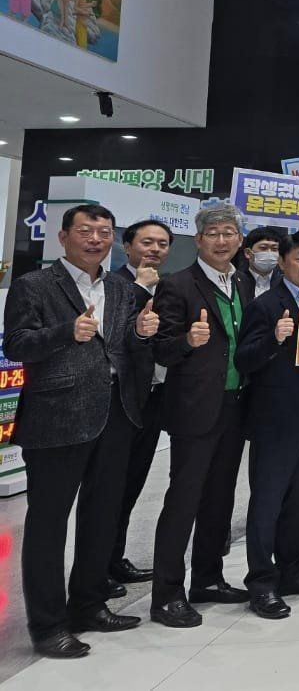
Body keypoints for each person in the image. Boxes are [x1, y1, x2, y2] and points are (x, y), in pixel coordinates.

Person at [4, 203, 159, 659]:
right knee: (49, 524)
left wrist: (142, 331)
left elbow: (123, 345)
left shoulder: (119, 286)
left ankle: (89, 604)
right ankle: (48, 625)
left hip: (115, 412)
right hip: (57, 416)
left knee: (103, 513)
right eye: (86, 230)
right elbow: (16, 343)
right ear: (63, 236)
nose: (96, 239)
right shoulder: (35, 284)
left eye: (105, 232)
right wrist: (64, 331)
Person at [150, 202, 255, 627]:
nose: (222, 240)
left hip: (235, 406)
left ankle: (208, 578)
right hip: (195, 410)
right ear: (198, 240)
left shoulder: (243, 283)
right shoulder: (177, 285)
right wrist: (188, 342)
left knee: (220, 498)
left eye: (229, 232)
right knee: (184, 500)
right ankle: (167, 593)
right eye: (213, 233)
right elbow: (160, 347)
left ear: (239, 240)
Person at [234, 230, 299, 617]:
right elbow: (244, 360)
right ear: (282, 263)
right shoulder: (266, 305)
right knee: (267, 501)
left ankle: (294, 570)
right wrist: (275, 339)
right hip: (276, 417)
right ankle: (261, 582)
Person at [109, 219, 174, 589]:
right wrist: (138, 288)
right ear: (127, 245)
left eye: (162, 244)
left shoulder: (166, 287)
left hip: (153, 399)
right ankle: (99, 564)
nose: (154, 249)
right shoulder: (116, 284)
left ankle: (115, 558)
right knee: (110, 486)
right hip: (120, 401)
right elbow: (116, 331)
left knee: (132, 483)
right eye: (146, 242)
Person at [243, 226, 283, 298]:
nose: (269, 253)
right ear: (248, 253)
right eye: (263, 248)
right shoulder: (237, 281)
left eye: (274, 249)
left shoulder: (285, 282)